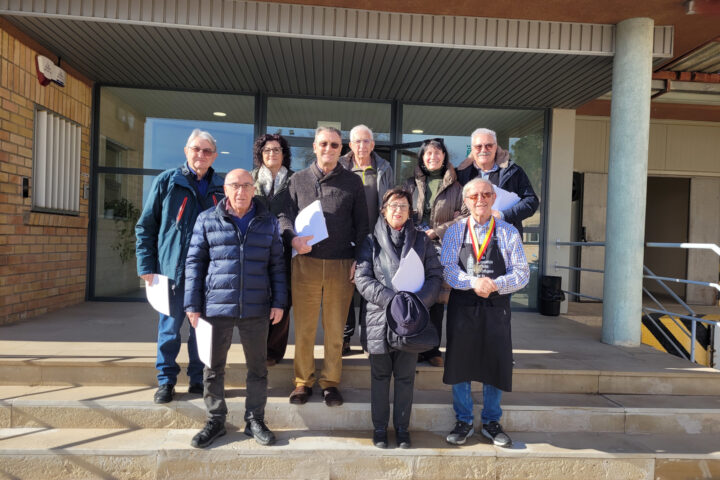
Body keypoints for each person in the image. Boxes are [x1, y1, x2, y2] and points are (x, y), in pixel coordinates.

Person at [184, 169, 287, 449]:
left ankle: (255, 420)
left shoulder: (268, 222)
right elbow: (194, 263)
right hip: (215, 308)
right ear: (225, 189)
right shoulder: (207, 219)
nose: (240, 191)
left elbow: (277, 264)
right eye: (234, 185)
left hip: (257, 307)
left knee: (258, 368)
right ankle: (215, 420)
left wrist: (279, 301)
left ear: (254, 189)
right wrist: (192, 304)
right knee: (213, 367)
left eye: (246, 185)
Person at [278, 126, 369, 407]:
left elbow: (362, 226)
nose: (328, 149)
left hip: (341, 263)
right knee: (305, 328)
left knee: (335, 329)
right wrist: (292, 239)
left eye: (334, 145)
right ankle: (302, 382)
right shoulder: (297, 180)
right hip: (305, 263)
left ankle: (330, 382)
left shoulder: (352, 182)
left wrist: (360, 260)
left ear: (341, 149)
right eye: (324, 144)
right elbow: (283, 215)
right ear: (314, 147)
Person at [135, 129, 225, 404]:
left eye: (207, 151)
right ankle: (166, 381)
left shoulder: (222, 186)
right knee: (170, 330)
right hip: (171, 271)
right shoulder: (167, 181)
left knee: (202, 330)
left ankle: (198, 379)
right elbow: (146, 226)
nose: (201, 155)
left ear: (214, 156)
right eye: (196, 149)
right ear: (186, 151)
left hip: (209, 274)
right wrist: (146, 264)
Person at [441, 178, 529, 448]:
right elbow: (447, 268)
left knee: (495, 362)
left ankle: (491, 421)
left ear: (493, 198)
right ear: (465, 201)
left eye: (486, 195)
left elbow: (522, 273)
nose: (480, 200)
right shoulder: (455, 231)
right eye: (474, 196)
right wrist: (473, 282)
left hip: (496, 306)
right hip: (463, 306)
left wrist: (495, 284)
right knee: (460, 363)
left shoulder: (508, 231)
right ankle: (464, 420)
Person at [355, 187, 442, 449]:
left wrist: (417, 302)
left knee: (405, 378)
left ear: (410, 211)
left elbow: (435, 276)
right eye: (393, 205)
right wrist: (391, 300)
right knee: (380, 378)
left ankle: (403, 430)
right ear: (383, 210)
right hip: (379, 319)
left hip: (411, 320)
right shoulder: (370, 241)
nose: (398, 210)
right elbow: (362, 278)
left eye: (403, 206)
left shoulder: (422, 241)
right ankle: (380, 429)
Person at [402, 138, 463, 367]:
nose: (433, 157)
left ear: (444, 156)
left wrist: (437, 231)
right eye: (428, 153)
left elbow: (465, 217)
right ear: (422, 157)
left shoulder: (456, 188)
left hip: (440, 248)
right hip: (413, 246)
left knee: (436, 298)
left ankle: (433, 349)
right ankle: (415, 347)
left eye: (437, 153)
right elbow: (399, 210)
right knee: (415, 296)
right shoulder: (410, 184)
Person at [339, 124, 394, 356]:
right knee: (345, 288)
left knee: (370, 288)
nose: (361, 145)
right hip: (345, 237)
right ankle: (344, 337)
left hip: (375, 238)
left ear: (372, 144)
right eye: (357, 141)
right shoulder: (340, 167)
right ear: (350, 145)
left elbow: (389, 201)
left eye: (366, 141)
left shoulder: (384, 167)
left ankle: (369, 339)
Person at [251, 133, 294, 366]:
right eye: (267, 150)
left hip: (286, 248)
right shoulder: (251, 179)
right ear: (260, 154)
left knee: (283, 299)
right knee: (258, 299)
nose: (272, 154)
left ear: (284, 154)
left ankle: (273, 351)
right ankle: (257, 348)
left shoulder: (295, 180)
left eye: (277, 149)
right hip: (256, 248)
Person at [455, 128, 539, 236]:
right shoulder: (461, 174)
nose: (483, 150)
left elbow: (531, 202)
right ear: (472, 149)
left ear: (495, 147)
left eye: (489, 145)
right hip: (469, 237)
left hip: (504, 237)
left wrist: (503, 215)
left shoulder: (513, 172)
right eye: (478, 146)